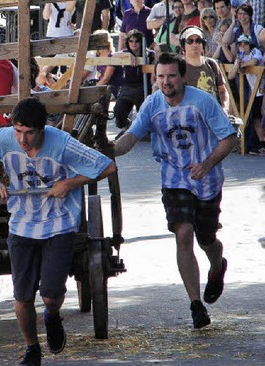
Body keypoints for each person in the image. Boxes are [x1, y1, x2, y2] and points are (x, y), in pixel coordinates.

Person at [0, 97, 116, 366]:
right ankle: (31, 349)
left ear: (42, 129)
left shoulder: (62, 143)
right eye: (18, 132)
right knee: (23, 297)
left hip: (58, 224)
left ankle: (52, 316)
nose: (23, 140)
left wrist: (70, 183)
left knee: (50, 295)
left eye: (29, 133)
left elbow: (108, 166)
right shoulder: (4, 139)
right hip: (22, 224)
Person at [112, 52, 235, 329]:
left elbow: (228, 137)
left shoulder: (203, 101)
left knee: (206, 240)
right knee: (183, 233)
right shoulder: (152, 104)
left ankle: (217, 266)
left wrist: (207, 164)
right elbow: (131, 136)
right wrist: (111, 149)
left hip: (207, 177)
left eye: (170, 76)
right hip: (174, 176)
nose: (165, 82)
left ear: (182, 77)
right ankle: (195, 305)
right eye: (160, 76)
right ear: (155, 78)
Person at [179, 26, 229, 114]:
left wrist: (224, 109)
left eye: (198, 41)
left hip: (212, 117)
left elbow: (222, 91)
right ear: (183, 46)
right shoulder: (178, 67)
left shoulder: (212, 64)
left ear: (203, 44)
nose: (195, 44)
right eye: (190, 41)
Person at [227, 34, 264, 154]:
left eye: (245, 43)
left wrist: (241, 65)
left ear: (249, 44)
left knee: (260, 117)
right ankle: (261, 144)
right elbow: (230, 75)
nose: (243, 46)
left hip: (261, 87)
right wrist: (237, 63)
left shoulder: (255, 51)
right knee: (256, 118)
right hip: (254, 90)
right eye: (240, 44)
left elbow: (254, 61)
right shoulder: (240, 57)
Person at [113, 29, 156, 133]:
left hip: (143, 86)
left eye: (137, 41)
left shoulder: (149, 54)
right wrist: (128, 55)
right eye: (131, 41)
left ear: (141, 42)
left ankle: (141, 130)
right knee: (118, 112)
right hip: (127, 87)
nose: (134, 44)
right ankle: (127, 125)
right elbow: (113, 55)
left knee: (143, 113)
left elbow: (156, 62)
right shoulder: (125, 53)